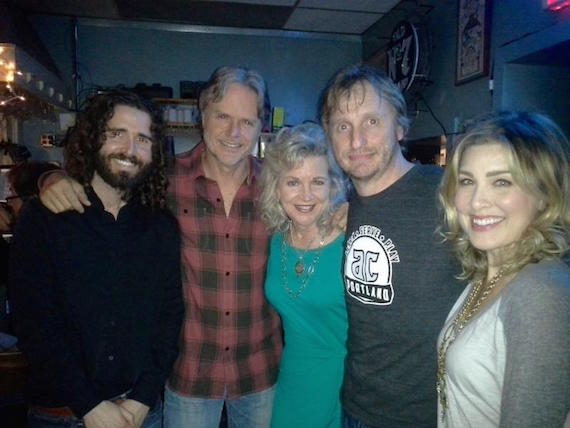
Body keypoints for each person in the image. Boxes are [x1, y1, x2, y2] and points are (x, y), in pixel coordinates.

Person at [38, 67, 283, 428]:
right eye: (223, 117)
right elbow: (104, 184)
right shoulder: (163, 180)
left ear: (261, 125)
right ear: (203, 115)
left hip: (260, 371)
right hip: (188, 372)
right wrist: (50, 178)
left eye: (247, 122)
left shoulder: (279, 187)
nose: (234, 133)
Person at [10, 90, 184, 428]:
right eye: (116, 134)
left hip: (140, 413)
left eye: (143, 139)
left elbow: (170, 317)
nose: (129, 150)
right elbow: (34, 323)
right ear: (93, 139)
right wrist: (89, 405)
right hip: (61, 417)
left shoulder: (161, 226)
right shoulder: (44, 218)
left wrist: (143, 397)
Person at [318, 64, 462, 427]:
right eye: (342, 126)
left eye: (371, 122)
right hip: (356, 407)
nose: (356, 141)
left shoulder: (451, 193)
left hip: (432, 416)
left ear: (399, 126)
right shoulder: (343, 207)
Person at [436, 111, 570, 427]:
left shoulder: (540, 292)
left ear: (544, 195)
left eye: (502, 182)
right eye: (467, 181)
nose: (477, 201)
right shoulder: (489, 272)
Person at [260, 123, 347, 428]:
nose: (306, 195)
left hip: (342, 384)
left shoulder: (351, 239)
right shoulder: (277, 240)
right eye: (293, 182)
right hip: (293, 381)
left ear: (333, 186)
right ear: (277, 187)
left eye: (318, 182)